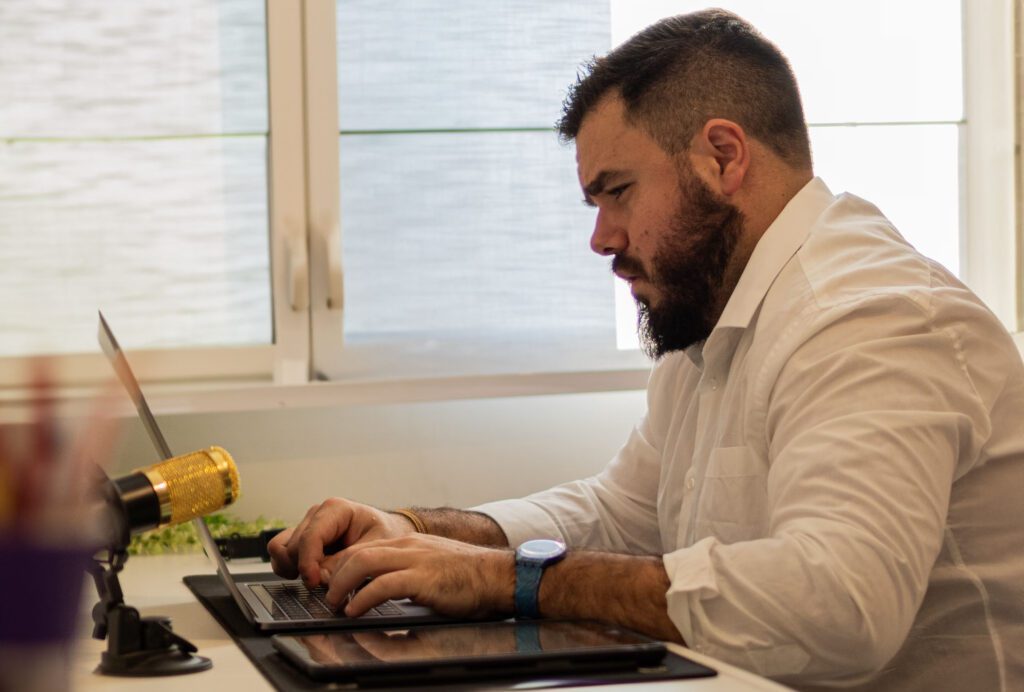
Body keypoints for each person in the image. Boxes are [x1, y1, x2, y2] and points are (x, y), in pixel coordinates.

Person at [269, 9, 1024, 691]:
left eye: (618, 192)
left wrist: (505, 579)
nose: (600, 239)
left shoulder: (871, 318)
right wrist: (419, 534)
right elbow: (621, 511)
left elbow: (838, 609)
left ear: (723, 157)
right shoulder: (714, 319)